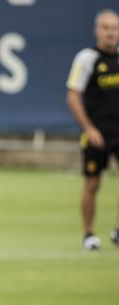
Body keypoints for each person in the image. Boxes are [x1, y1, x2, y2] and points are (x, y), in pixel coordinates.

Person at [66, 9, 119, 251]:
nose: (111, 32)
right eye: (106, 27)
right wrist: (89, 128)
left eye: (115, 28)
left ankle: (118, 230)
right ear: (97, 30)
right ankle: (88, 234)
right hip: (96, 131)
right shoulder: (87, 58)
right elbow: (73, 96)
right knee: (92, 183)